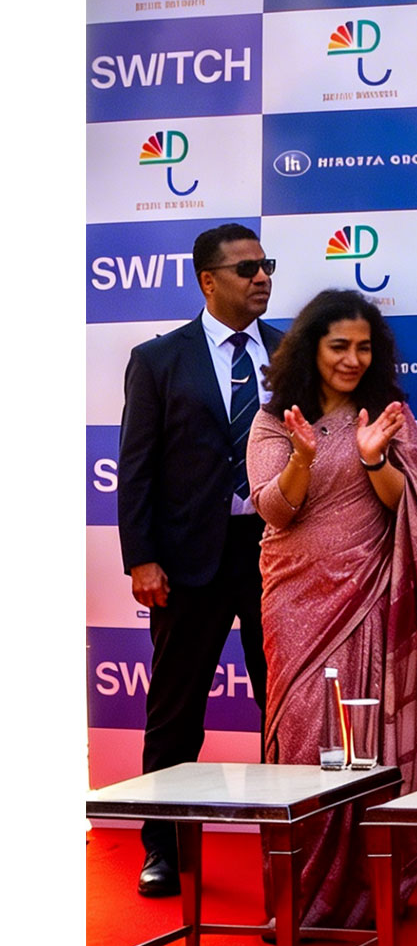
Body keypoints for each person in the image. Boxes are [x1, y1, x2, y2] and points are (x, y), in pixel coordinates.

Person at [246, 288, 417, 929]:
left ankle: (363, 892)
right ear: (312, 348)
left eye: (364, 347)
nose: (352, 359)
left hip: (367, 596)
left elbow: (408, 505)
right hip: (296, 600)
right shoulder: (275, 420)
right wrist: (303, 457)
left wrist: (373, 456)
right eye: (340, 346)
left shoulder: (389, 416)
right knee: (305, 737)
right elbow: (276, 509)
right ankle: (302, 896)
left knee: (362, 741)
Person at [118, 223, 280, 898]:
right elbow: (136, 467)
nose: (262, 278)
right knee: (176, 712)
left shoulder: (292, 353)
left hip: (277, 557)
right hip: (188, 562)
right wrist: (141, 558)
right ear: (208, 280)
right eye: (247, 269)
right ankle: (162, 846)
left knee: (284, 709)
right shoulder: (158, 359)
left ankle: (290, 849)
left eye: (267, 266)